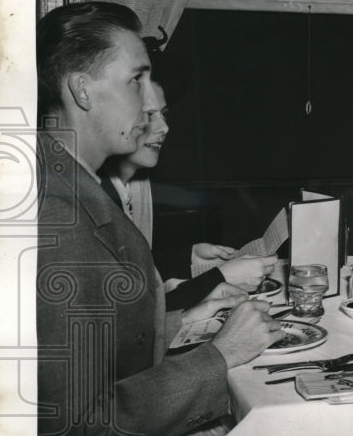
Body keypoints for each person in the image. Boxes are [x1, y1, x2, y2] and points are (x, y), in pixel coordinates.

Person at [36, 1, 285, 436]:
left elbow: (98, 344)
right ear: (81, 90)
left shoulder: (70, 182)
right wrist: (220, 357)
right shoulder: (56, 216)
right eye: (136, 79)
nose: (150, 101)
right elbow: (75, 431)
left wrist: (180, 320)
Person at [99, 71, 277, 310]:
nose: (164, 127)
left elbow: (135, 271)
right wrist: (220, 278)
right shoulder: (95, 197)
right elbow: (132, 315)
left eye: (163, 114)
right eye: (148, 115)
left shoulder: (136, 185)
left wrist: (190, 258)